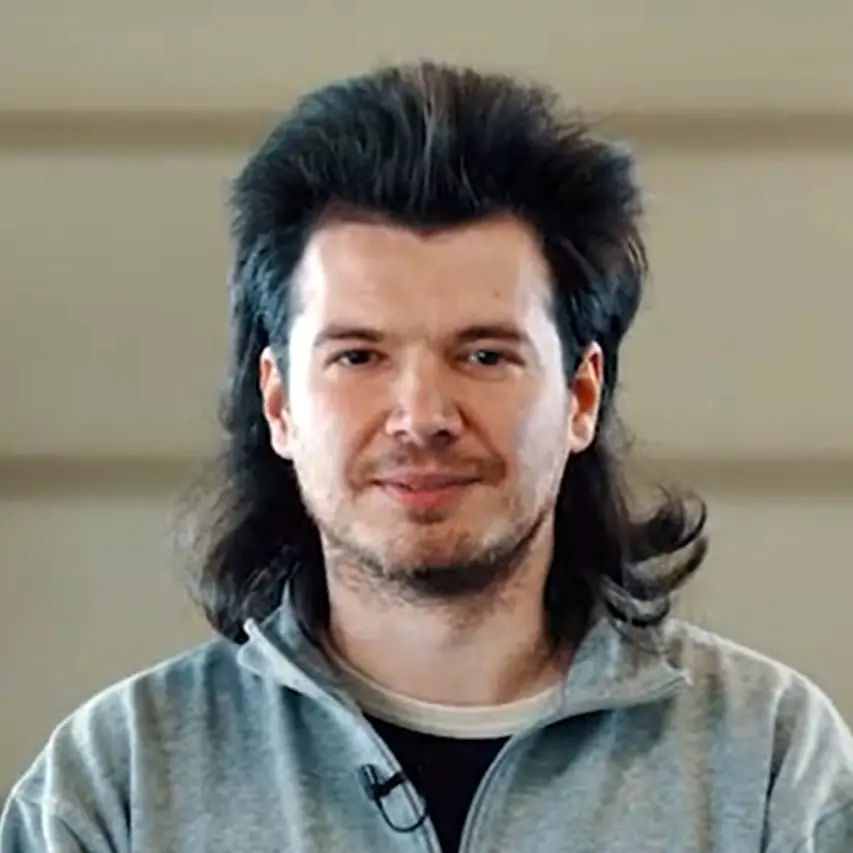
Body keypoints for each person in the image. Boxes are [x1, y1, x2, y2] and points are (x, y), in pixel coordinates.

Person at [2, 60, 851, 853]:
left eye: (483, 355)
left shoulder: (770, 762)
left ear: (581, 396)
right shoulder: (116, 784)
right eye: (357, 355)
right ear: (279, 403)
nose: (421, 417)